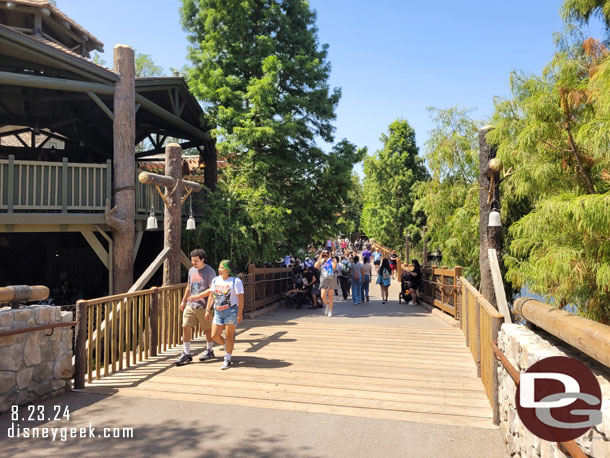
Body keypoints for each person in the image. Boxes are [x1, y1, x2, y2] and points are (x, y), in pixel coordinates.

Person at [176, 249, 217, 366]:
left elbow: (212, 289)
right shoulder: (191, 270)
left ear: (202, 260)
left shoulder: (210, 271)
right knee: (185, 326)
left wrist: (200, 299)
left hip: (204, 305)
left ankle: (210, 350)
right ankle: (186, 352)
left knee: (207, 329)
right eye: (192, 261)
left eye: (196, 261)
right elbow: (189, 286)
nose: (193, 263)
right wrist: (183, 301)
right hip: (191, 305)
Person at [205, 260, 244, 370]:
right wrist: (208, 309)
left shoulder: (235, 281)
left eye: (222, 268)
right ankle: (227, 346)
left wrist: (240, 313)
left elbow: (240, 298)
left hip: (231, 310)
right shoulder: (216, 280)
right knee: (214, 335)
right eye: (219, 267)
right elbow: (212, 296)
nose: (219, 270)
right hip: (218, 310)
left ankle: (227, 358)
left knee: (229, 335)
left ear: (228, 269)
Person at [315, 250, 338, 316]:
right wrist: (320, 257)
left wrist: (329, 259)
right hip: (323, 279)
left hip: (331, 279)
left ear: (329, 255)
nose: (325, 257)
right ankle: (327, 305)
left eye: (326, 255)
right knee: (322, 295)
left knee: (330, 296)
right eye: (324, 255)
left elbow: (334, 267)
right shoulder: (321, 260)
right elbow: (316, 266)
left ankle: (330, 310)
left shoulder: (333, 259)